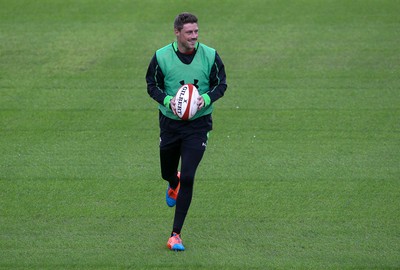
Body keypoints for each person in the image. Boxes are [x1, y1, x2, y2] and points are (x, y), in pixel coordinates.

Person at [145, 12, 227, 251]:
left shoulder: (210, 55)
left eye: (196, 31)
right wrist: (169, 100)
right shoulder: (161, 57)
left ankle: (175, 235)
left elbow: (221, 84)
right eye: (189, 32)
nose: (194, 36)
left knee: (189, 175)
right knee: (167, 171)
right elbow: (152, 85)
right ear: (177, 33)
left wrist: (206, 99)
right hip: (170, 124)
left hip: (198, 126)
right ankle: (173, 182)